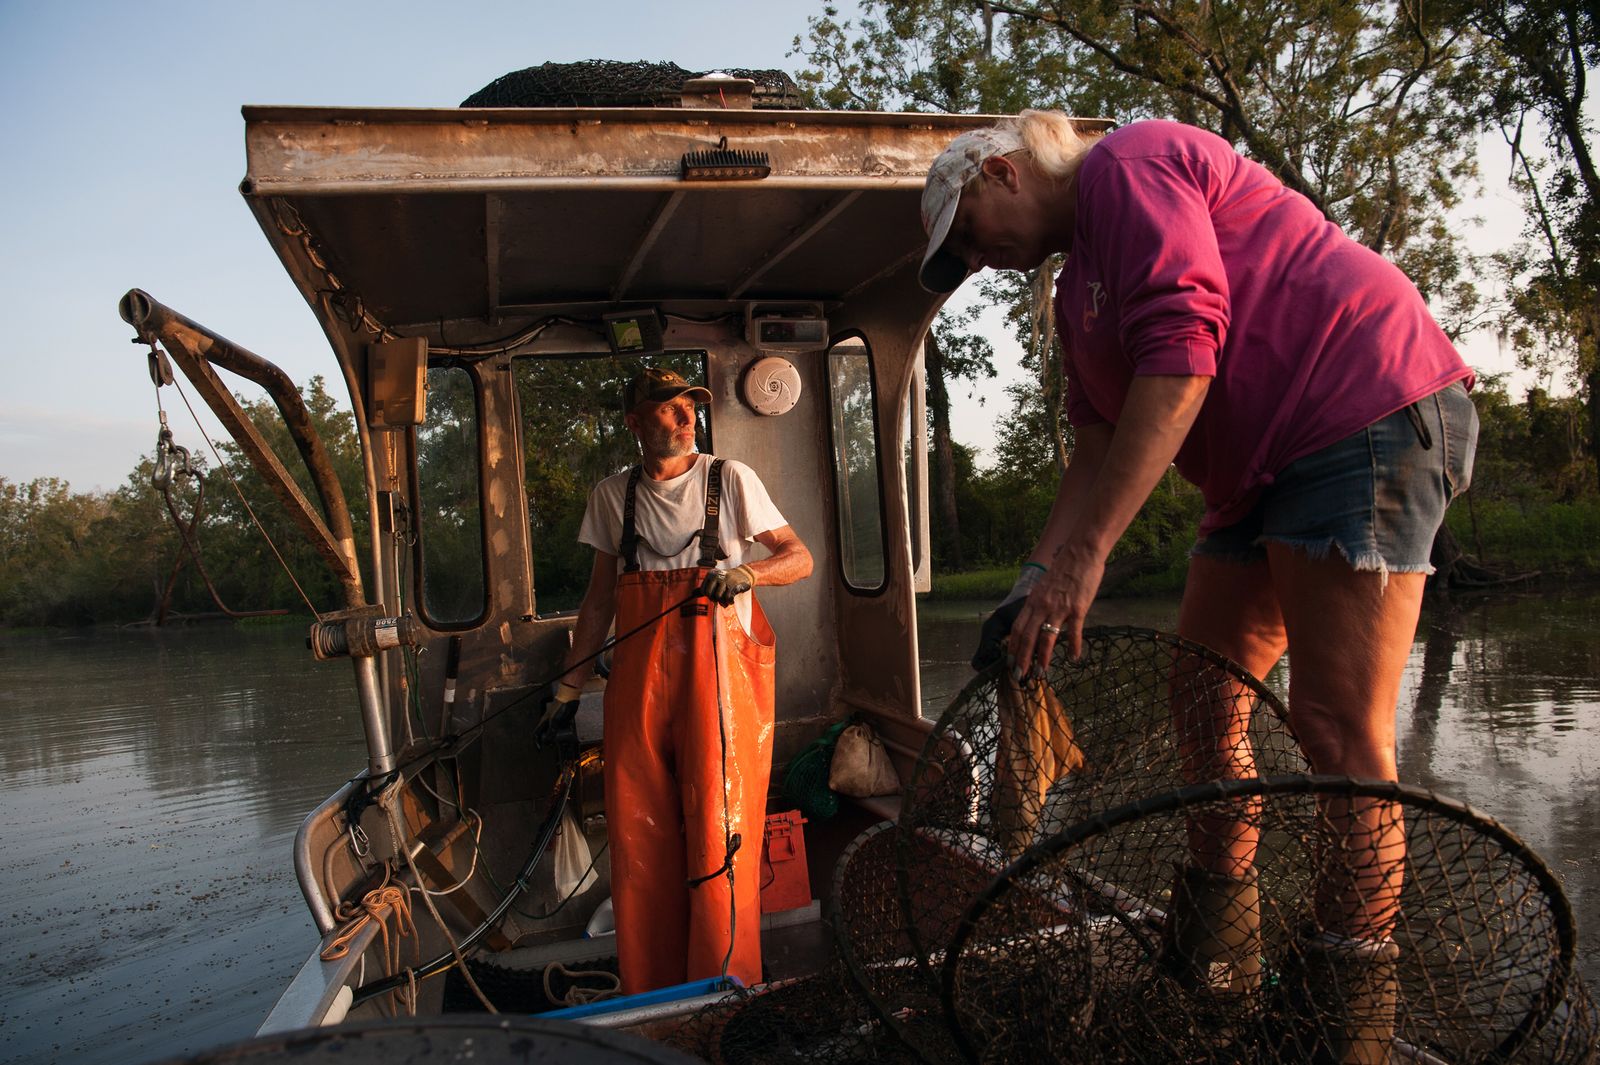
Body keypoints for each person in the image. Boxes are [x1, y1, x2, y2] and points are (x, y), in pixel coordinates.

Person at [920, 113, 1477, 1061]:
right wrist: (1034, 579)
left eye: (968, 233)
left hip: (1360, 413)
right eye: (960, 258)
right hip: (1253, 471)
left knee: (1338, 732)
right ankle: (1219, 957)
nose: (978, 259)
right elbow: (1093, 448)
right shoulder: (1073, 296)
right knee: (1203, 698)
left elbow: (1185, 348)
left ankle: (1346, 1014)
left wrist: (1090, 561)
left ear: (1004, 172)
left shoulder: (1126, 166)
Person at [538, 366, 812, 995]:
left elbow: (799, 557)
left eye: (690, 404)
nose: (686, 415)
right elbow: (597, 603)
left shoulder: (731, 479)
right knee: (638, 838)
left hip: (722, 687)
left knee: (721, 831)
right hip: (639, 689)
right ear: (635, 422)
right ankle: (652, 992)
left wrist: (750, 576)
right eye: (667, 407)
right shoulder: (612, 497)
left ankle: (725, 986)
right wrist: (567, 690)